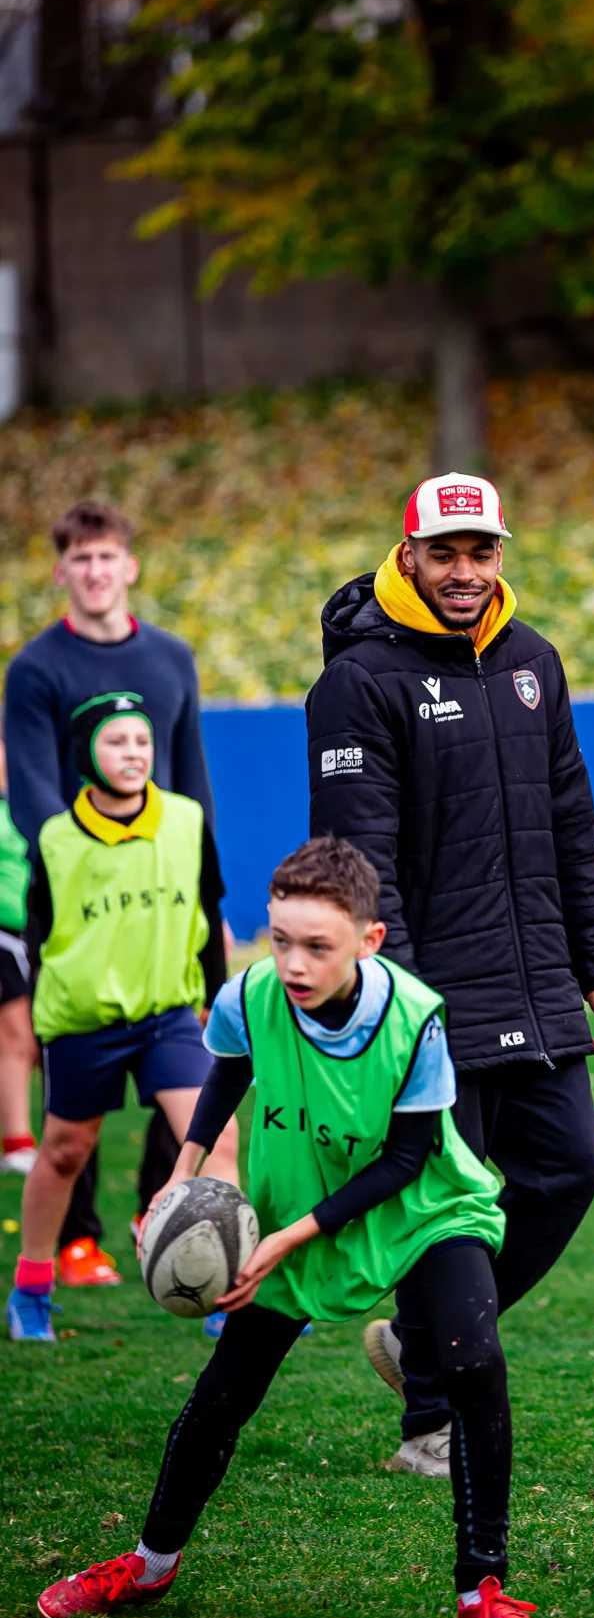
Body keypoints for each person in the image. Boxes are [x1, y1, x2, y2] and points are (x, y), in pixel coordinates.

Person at [36, 836, 552, 1618]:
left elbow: (406, 1158)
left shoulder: (414, 1016)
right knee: (223, 1395)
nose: (295, 964)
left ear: (367, 940)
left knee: (473, 1361)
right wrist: (185, 1167)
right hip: (299, 1202)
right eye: (280, 941)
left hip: (422, 1207)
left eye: (318, 946)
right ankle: (148, 1565)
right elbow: (228, 1074)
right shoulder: (250, 996)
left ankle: (481, 1590)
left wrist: (282, 1241)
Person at [306, 470, 594, 1476]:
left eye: (480, 551)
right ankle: (430, 1425)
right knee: (442, 1207)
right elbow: (356, 864)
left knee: (570, 1167)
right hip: (432, 998)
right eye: (443, 552)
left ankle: (419, 1348)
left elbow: (571, 825)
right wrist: (396, 1004)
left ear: (502, 555)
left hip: (538, 985)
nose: (463, 570)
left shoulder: (534, 660)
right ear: (406, 554)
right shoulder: (358, 681)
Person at [2, 499, 224, 1284]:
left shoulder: (171, 657)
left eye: (107, 557)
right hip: (75, 890)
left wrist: (206, 886)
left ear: (130, 565)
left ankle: (157, 1209)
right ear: (61, 571)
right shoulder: (35, 668)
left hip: (166, 889)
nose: (95, 572)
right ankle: (77, 1238)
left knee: (190, 1055)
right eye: (80, 560)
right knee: (77, 1073)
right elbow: (30, 791)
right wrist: (83, 860)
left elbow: (190, 779)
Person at [6, 694, 232, 1342]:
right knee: (65, 1151)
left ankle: (225, 1294)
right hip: (84, 1021)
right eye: (117, 742)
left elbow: (209, 912)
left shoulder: (186, 821)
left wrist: (214, 995)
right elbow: (42, 929)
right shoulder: (55, 837)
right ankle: (31, 1290)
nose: (133, 753)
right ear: (85, 756)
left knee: (217, 1140)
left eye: (142, 741)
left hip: (168, 1013)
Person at [0, 738, 38, 1176]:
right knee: (16, 1038)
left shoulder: (20, 804)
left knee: (21, 1043)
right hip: (3, 939)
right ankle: (16, 1143)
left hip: (21, 937)